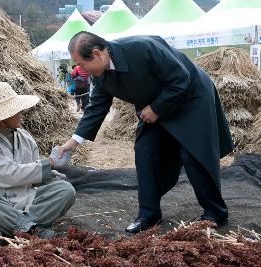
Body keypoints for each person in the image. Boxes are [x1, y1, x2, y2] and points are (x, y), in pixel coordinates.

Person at [59, 31, 233, 234]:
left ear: (97, 54)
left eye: (82, 64)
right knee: (145, 152)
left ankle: (215, 212)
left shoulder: (143, 47)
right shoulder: (101, 74)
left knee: (193, 154)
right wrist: (73, 142)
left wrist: (157, 108)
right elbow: (97, 106)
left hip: (190, 97)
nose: (82, 70)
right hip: (153, 106)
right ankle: (148, 215)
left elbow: (180, 78)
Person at [0, 81, 76, 240]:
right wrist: (49, 163)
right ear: (1, 117)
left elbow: (31, 172)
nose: (21, 113)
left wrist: (48, 176)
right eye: (15, 110)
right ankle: (31, 230)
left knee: (65, 190)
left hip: (27, 203)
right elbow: (11, 174)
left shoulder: (24, 136)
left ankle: (9, 231)